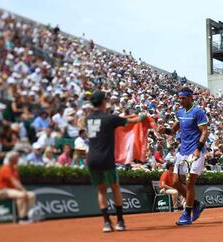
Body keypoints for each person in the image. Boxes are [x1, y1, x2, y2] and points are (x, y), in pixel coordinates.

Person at [86, 90, 146, 232]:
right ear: (103, 102)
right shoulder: (109, 118)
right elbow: (133, 121)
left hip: (92, 159)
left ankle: (106, 223)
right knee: (115, 187)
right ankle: (120, 221)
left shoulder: (88, 118)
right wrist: (142, 116)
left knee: (101, 191)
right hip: (106, 158)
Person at [158, 87, 209, 226]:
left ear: (190, 98)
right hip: (183, 152)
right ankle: (196, 204)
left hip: (195, 152)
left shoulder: (198, 112)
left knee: (189, 182)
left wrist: (198, 150)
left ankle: (187, 213)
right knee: (175, 183)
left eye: (183, 98)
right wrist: (165, 130)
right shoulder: (179, 113)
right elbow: (173, 131)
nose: (180, 100)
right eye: (179, 98)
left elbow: (205, 132)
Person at [0, 151, 36, 223]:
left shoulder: (14, 168)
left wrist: (23, 191)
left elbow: (17, 182)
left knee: (31, 195)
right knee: (22, 195)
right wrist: (23, 190)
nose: (18, 159)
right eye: (17, 158)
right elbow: (15, 182)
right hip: (2, 191)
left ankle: (29, 216)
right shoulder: (5, 168)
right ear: (12, 159)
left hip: (12, 190)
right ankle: (22, 218)